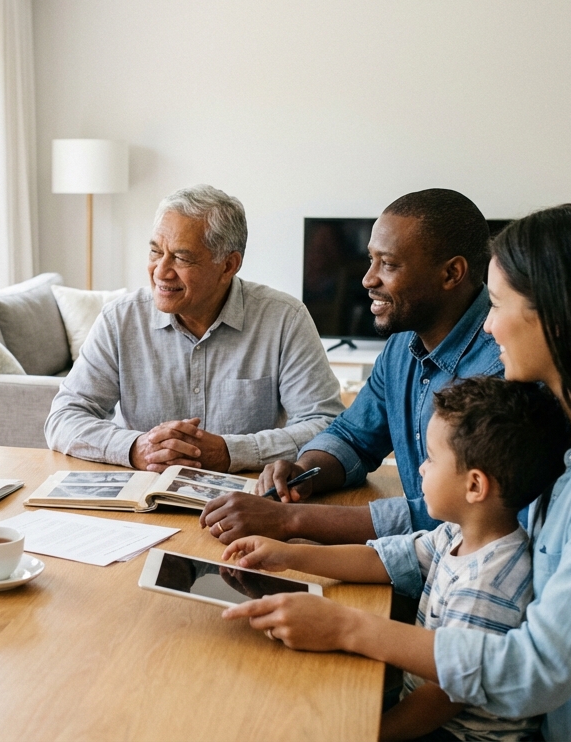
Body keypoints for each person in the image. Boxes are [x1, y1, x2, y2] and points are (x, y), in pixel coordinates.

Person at [221, 204, 571, 740]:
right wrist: (292, 554)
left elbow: (532, 671)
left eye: (496, 305)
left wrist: (349, 627)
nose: (488, 325)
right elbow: (441, 542)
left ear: (559, 318)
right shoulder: (565, 435)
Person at [225, 376, 571, 741]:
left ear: (475, 486)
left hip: (458, 733)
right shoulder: (459, 532)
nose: (421, 468)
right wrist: (290, 554)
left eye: (432, 459)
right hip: (426, 702)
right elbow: (382, 560)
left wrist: (370, 735)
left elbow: (444, 698)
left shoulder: (492, 580)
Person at [201, 188, 502, 545]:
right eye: (371, 260)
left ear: (452, 273)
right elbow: (353, 436)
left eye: (388, 264)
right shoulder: (401, 347)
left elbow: (451, 517)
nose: (367, 279)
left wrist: (292, 519)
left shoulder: (501, 368)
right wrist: (304, 471)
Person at [45, 184, 343, 474]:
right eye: (155, 252)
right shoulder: (120, 319)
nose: (160, 271)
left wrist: (230, 452)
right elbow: (63, 418)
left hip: (244, 503)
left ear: (228, 266)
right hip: (143, 499)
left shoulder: (284, 319)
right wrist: (136, 447)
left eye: (181, 257)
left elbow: (326, 424)